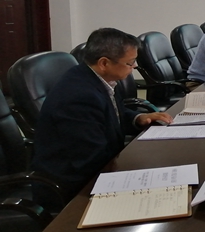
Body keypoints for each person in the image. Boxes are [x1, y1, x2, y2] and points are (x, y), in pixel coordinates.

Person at [31, 28, 173, 206]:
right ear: (104, 63)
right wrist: (140, 169)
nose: (135, 66)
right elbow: (92, 159)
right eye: (130, 63)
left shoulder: (97, 79)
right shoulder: (79, 97)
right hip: (72, 186)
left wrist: (138, 118)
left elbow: (112, 114)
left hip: (94, 170)